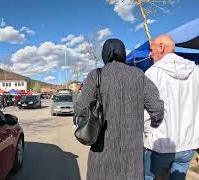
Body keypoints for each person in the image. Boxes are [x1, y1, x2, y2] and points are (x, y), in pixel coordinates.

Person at [75, 39, 164, 180]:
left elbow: (80, 109)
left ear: (105, 54)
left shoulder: (96, 75)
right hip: (132, 157)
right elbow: (157, 108)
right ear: (123, 54)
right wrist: (154, 123)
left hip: (102, 153)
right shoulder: (139, 75)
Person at [144, 35, 199, 180]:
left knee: (147, 177)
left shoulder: (152, 73)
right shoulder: (196, 72)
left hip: (160, 144)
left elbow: (145, 112)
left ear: (161, 47)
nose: (150, 54)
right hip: (188, 145)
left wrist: (149, 135)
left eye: (151, 49)